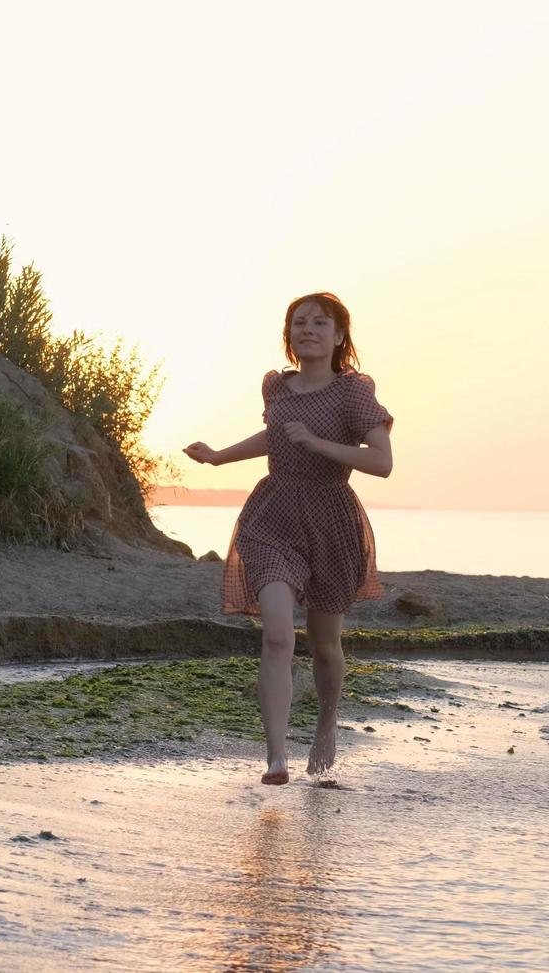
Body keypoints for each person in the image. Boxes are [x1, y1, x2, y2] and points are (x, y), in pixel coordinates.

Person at [183, 292, 394, 785]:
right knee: (277, 634)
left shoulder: (354, 393)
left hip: (330, 519)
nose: (308, 330)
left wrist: (319, 444)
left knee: (324, 646)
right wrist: (218, 457)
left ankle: (325, 724)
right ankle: (276, 758)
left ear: (340, 336)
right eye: (299, 322)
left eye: (321, 323)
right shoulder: (275, 387)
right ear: (289, 334)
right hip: (273, 515)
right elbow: (275, 437)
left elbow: (382, 463)